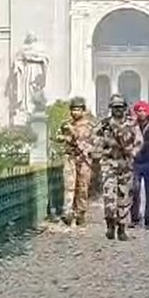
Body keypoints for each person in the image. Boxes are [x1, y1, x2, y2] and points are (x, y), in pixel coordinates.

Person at [95, 94, 137, 241]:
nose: (118, 110)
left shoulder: (132, 124)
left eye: (120, 107)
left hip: (125, 165)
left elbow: (138, 142)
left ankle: (122, 228)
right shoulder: (104, 124)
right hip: (109, 164)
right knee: (109, 196)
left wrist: (132, 153)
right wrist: (102, 151)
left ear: (125, 108)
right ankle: (110, 225)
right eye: (115, 108)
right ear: (111, 109)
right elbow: (96, 142)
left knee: (124, 198)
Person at [56, 96, 95, 227]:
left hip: (84, 160)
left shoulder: (89, 126)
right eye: (73, 109)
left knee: (82, 187)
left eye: (78, 109)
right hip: (70, 157)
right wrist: (62, 137)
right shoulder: (66, 124)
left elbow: (88, 141)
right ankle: (67, 212)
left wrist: (73, 133)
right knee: (69, 185)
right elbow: (59, 136)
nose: (75, 112)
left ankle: (80, 213)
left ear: (83, 111)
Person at [129, 100, 149, 229]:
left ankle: (148, 219)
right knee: (134, 191)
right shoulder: (132, 125)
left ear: (148, 112)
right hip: (136, 163)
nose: (142, 113)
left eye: (144, 110)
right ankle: (135, 217)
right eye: (139, 111)